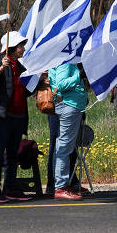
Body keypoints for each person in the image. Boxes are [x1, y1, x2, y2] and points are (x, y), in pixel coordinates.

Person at [0, 31, 32, 203]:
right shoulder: (0, 62)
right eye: (20, 46)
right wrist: (0, 68)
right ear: (11, 49)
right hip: (3, 116)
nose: (23, 48)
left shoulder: (20, 67)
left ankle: (10, 188)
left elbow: (28, 88)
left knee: (13, 155)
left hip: (18, 117)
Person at [48, 63, 88, 201]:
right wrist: (80, 75)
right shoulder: (64, 61)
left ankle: (64, 185)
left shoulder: (63, 59)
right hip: (69, 105)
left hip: (69, 105)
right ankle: (60, 187)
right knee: (64, 147)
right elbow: (61, 84)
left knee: (64, 146)